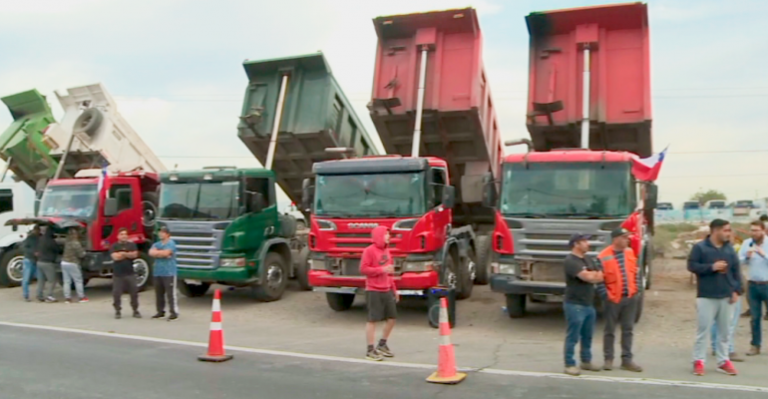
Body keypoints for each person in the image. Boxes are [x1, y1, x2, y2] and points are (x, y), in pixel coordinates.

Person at [687, 218, 741, 376]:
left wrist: (736, 290)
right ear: (715, 230)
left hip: (726, 296)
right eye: (725, 230)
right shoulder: (700, 248)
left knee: (725, 331)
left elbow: (736, 271)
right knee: (703, 330)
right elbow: (691, 265)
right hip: (706, 295)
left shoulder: (729, 249)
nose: (728, 233)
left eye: (729, 230)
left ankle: (723, 361)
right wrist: (711, 267)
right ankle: (699, 360)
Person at [596, 228, 643, 372]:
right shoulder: (603, 256)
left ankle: (627, 360)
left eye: (627, 237)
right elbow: (599, 280)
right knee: (610, 330)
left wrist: (637, 290)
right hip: (613, 300)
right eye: (624, 237)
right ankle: (608, 359)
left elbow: (635, 272)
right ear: (615, 239)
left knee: (628, 329)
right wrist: (606, 295)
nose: (627, 240)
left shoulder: (629, 252)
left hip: (630, 297)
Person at [563, 233, 604, 376]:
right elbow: (587, 277)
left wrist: (594, 275)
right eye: (585, 241)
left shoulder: (587, 258)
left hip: (588, 304)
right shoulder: (570, 261)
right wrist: (593, 275)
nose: (588, 244)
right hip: (575, 304)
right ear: (576, 244)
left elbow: (600, 275)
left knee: (587, 335)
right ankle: (569, 364)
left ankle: (586, 361)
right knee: (573, 336)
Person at [360, 225, 398, 361]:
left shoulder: (387, 251)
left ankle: (382, 344)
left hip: (387, 289)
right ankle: (370, 349)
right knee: (372, 320)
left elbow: (390, 273)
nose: (389, 237)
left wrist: (394, 289)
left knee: (392, 318)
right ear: (379, 236)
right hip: (373, 289)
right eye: (386, 234)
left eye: (389, 234)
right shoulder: (369, 251)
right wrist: (381, 270)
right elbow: (364, 269)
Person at [741, 220, 768, 356]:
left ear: (763, 230)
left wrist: (764, 254)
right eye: (752, 230)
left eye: (757, 230)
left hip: (767, 283)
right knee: (755, 317)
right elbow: (738, 260)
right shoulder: (747, 243)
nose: (754, 233)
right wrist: (746, 256)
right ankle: (755, 345)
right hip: (752, 284)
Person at [110, 228, 141, 319]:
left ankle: (135, 310)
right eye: (122, 234)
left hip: (130, 273)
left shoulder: (132, 245)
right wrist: (127, 254)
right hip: (118, 274)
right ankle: (117, 310)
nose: (124, 236)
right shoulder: (114, 246)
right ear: (118, 236)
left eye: (125, 234)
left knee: (134, 293)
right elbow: (115, 257)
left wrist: (123, 253)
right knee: (117, 293)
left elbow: (135, 255)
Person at [149, 226, 178, 321]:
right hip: (157, 272)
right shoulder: (156, 244)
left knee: (170, 293)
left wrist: (158, 253)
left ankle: (173, 312)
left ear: (168, 234)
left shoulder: (171, 243)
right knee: (159, 293)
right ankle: (160, 311)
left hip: (169, 272)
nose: (161, 234)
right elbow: (150, 252)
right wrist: (160, 253)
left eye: (163, 232)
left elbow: (167, 253)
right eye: (160, 232)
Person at [61, 228, 88, 303]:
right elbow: (81, 254)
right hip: (73, 263)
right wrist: (85, 252)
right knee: (78, 280)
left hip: (64, 262)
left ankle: (67, 298)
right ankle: (81, 297)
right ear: (74, 235)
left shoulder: (67, 242)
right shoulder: (76, 243)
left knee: (66, 281)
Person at [36, 225, 60, 303]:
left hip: (39, 262)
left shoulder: (41, 239)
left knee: (41, 280)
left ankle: (39, 295)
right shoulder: (51, 241)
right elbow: (58, 250)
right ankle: (49, 296)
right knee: (52, 280)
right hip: (48, 263)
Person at [21, 225, 40, 302]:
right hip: (29, 259)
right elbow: (23, 247)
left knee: (39, 278)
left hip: (35, 260)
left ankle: (38, 294)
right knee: (26, 278)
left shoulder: (39, 238)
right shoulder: (30, 238)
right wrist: (33, 252)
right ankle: (26, 295)